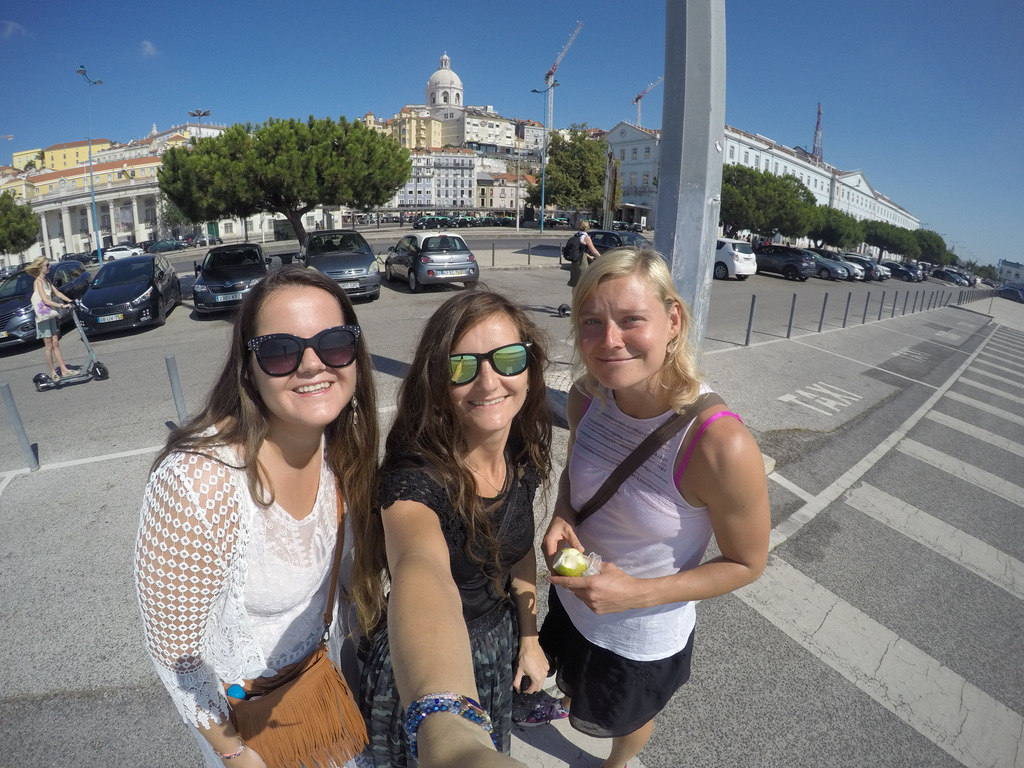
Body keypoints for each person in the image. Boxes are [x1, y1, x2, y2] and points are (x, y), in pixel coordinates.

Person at [135, 266, 379, 768]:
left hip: (320, 686)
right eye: (280, 351)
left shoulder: (342, 443)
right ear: (248, 368)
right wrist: (235, 753)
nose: (312, 365)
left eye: (334, 343)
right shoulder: (200, 482)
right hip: (244, 721)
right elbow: (175, 653)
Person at [540, 246, 771, 768]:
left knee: (627, 718)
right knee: (574, 683)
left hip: (638, 634)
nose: (609, 340)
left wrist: (636, 593)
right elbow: (576, 470)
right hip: (573, 600)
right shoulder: (587, 395)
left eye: (631, 320)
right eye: (592, 321)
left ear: (673, 321)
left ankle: (617, 764)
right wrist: (564, 513)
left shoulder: (720, 445)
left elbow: (747, 563)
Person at [355, 290, 553, 768]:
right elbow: (419, 568)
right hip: (425, 664)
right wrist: (450, 736)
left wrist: (529, 639)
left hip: (499, 644)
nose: (488, 381)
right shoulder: (415, 479)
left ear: (529, 369)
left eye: (508, 359)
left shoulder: (521, 453)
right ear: (437, 382)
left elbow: (517, 548)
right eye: (461, 366)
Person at [25, 256, 75, 380]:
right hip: (43, 317)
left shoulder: (47, 280)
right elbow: (46, 300)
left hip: (50, 314)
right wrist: (62, 305)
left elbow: (57, 293)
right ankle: (53, 372)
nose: (49, 267)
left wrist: (70, 301)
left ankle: (64, 370)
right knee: (49, 346)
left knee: (56, 343)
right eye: (47, 265)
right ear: (40, 267)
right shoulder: (38, 282)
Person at [566, 220, 601, 289]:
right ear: (587, 227)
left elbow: (580, 250)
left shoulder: (576, 235)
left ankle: (575, 295)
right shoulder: (586, 237)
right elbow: (594, 250)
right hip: (581, 261)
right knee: (583, 279)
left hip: (574, 260)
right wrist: (601, 257)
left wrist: (589, 256)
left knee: (575, 282)